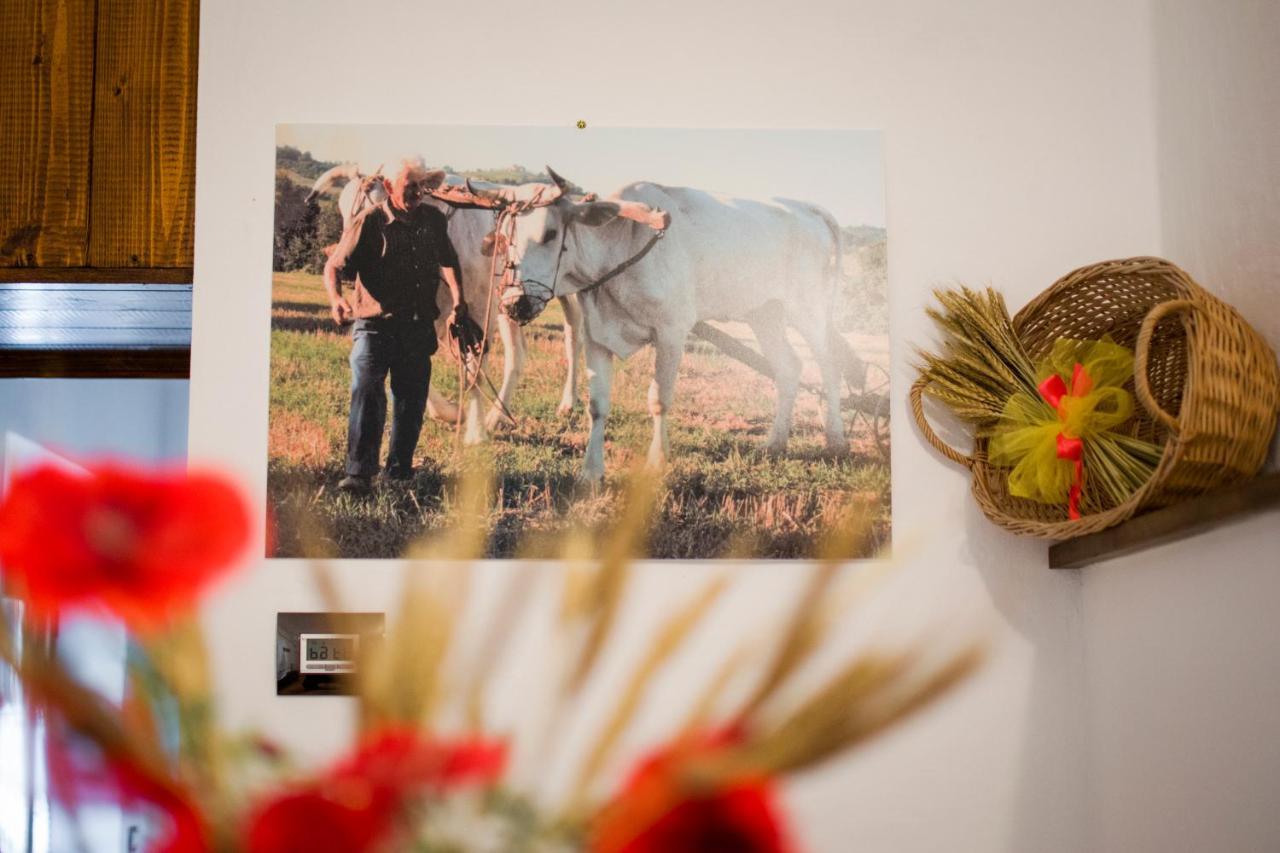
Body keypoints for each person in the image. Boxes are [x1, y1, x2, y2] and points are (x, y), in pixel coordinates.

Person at [323, 158, 466, 493]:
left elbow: (448, 260)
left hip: (416, 327)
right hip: (374, 326)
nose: (417, 193)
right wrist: (336, 299)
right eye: (409, 186)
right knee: (368, 393)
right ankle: (358, 475)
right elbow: (333, 267)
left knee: (411, 401)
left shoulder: (432, 220)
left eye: (422, 186)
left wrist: (459, 301)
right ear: (388, 187)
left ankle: (399, 471)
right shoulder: (370, 221)